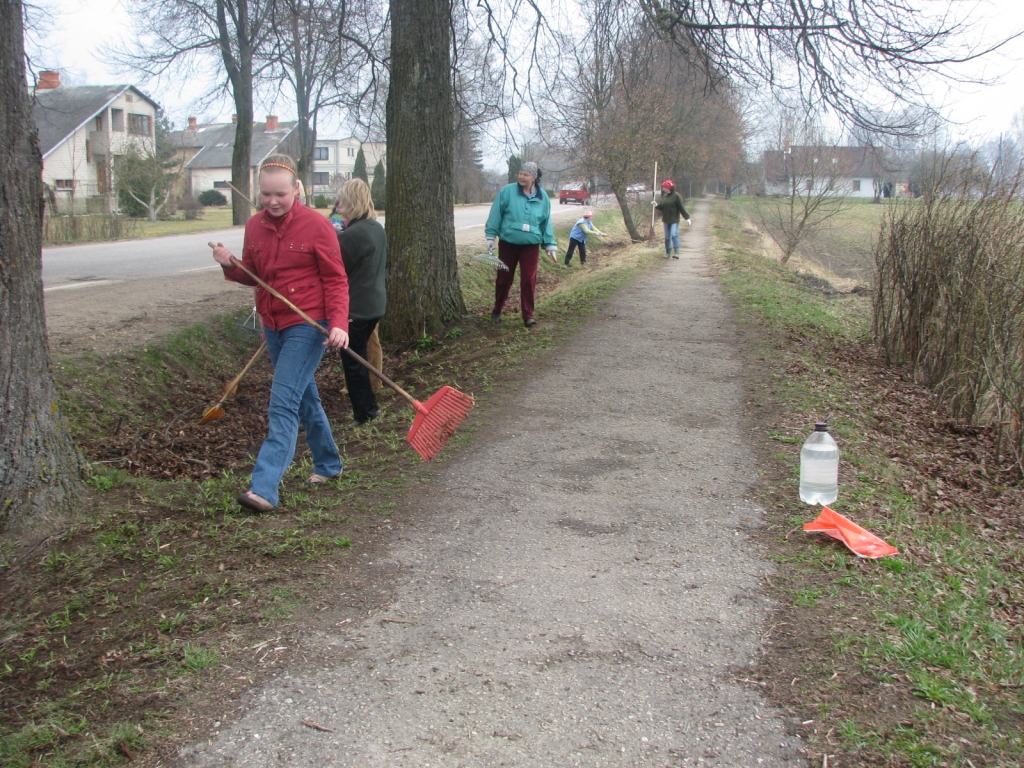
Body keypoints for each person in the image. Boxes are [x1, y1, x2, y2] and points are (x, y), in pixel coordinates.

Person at [210, 154, 350, 513]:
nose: (273, 201)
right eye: (266, 194)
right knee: (303, 397)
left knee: (283, 402)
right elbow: (254, 275)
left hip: (307, 324)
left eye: (281, 195)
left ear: (296, 190)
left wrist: (339, 323)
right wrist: (231, 265)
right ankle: (329, 464)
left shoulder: (317, 226)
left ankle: (264, 488)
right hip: (271, 325)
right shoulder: (254, 225)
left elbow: (335, 278)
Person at [334, 178, 387, 425]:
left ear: (351, 201)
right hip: (375, 304)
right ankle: (370, 405)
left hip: (357, 307)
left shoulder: (352, 235)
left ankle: (365, 412)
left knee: (353, 362)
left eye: (342, 199)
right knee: (360, 356)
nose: (338, 204)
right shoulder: (375, 227)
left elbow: (336, 270)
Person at [484, 161, 557, 328]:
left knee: (528, 280)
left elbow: (546, 221)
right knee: (503, 278)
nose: (521, 176)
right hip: (508, 243)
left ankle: (528, 315)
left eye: (526, 174)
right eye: (520, 173)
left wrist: (550, 244)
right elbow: (496, 214)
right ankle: (497, 309)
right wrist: (490, 236)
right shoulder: (507, 192)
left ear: (534, 177)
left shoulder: (542, 197)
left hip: (531, 245)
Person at [653, 179, 691, 259]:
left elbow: (681, 208)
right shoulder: (665, 196)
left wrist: (687, 218)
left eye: (664, 187)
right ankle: (668, 253)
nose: (663, 188)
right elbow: (663, 207)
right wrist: (656, 205)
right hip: (666, 220)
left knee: (674, 235)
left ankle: (677, 253)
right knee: (667, 237)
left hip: (674, 220)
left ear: (668, 188)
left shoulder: (676, 196)